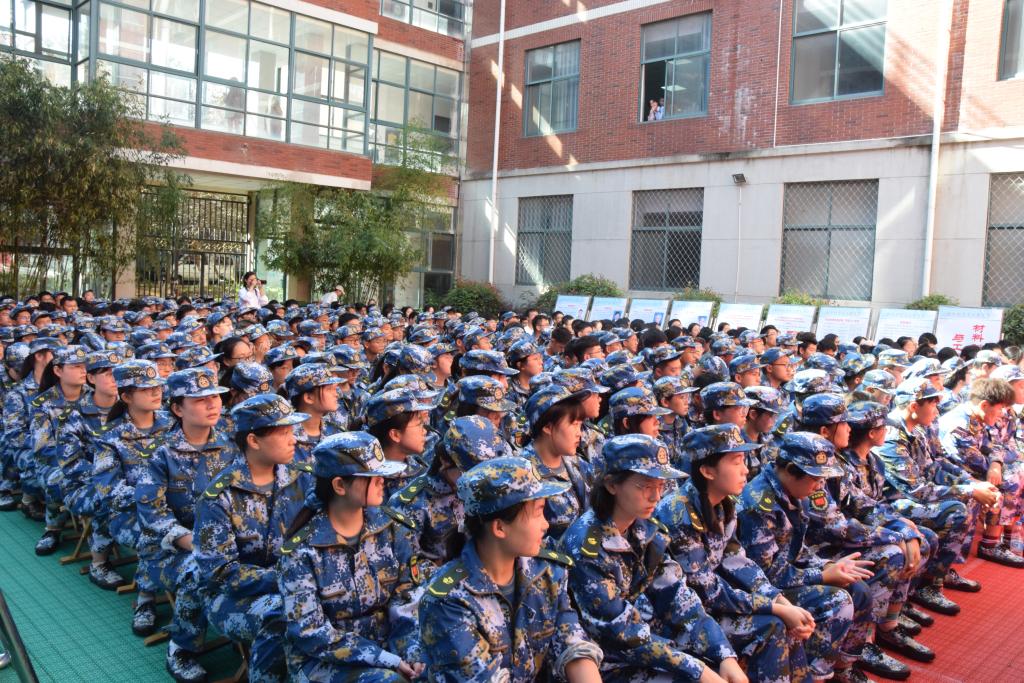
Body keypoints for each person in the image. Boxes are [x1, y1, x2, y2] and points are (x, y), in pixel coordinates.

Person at [561, 433, 743, 682]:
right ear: (612, 485)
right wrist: (696, 669)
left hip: (637, 646)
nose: (656, 497)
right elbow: (620, 632)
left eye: (660, 486)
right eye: (646, 486)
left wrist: (723, 654)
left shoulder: (644, 529)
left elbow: (678, 597)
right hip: (602, 662)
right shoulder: (586, 548)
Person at [419, 455, 604, 681]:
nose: (546, 524)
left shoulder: (547, 572)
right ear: (499, 528)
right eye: (538, 512)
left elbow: (572, 643)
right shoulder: (449, 601)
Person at [655, 425, 810, 682]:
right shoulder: (679, 515)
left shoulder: (724, 505)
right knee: (772, 625)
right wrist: (775, 608)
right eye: (736, 461)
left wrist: (781, 601)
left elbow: (739, 563)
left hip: (708, 608)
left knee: (784, 622)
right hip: (681, 619)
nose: (746, 469)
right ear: (707, 471)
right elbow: (708, 591)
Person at [276, 431, 422, 681]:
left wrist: (411, 652)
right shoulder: (301, 551)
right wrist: (385, 659)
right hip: (325, 660)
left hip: (387, 646)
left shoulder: (392, 529)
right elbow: (311, 633)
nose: (382, 481)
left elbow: (406, 598)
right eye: (371, 476)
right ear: (339, 485)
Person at [193, 394, 310, 681]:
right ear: (254, 441)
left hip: (296, 582)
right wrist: (288, 578)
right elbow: (221, 573)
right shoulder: (219, 496)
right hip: (231, 597)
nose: (294, 439)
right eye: (283, 432)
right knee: (282, 615)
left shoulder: (302, 479)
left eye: (293, 430)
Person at [134, 367, 239, 682]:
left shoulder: (232, 446)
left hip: (224, 541)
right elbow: (151, 513)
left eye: (214, 397)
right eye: (200, 399)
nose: (212, 404)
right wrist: (192, 542)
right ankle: (181, 647)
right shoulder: (160, 454)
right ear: (178, 409)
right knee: (199, 568)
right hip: (168, 550)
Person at [736, 432, 869, 681]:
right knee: (837, 601)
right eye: (815, 479)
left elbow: (798, 549)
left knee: (858, 587)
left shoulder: (794, 492)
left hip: (786, 576)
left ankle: (842, 668)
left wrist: (829, 566)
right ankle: (815, 674)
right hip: (762, 591)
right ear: (789, 470)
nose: (820, 486)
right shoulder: (759, 505)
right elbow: (767, 574)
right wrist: (822, 575)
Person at [387, 415, 507, 580]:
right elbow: (407, 568)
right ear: (444, 461)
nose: (478, 484)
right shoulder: (411, 503)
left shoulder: (490, 488)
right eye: (469, 476)